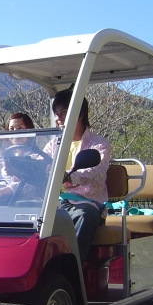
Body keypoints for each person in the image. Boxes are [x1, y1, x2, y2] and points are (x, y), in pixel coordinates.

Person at [43, 89, 111, 263]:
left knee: (84, 216)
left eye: (64, 112)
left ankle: (72, 269)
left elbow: (96, 171)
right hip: (55, 201)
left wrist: (69, 177)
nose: (58, 118)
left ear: (79, 114)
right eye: (56, 113)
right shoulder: (53, 144)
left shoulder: (98, 144)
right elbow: (40, 164)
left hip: (87, 202)